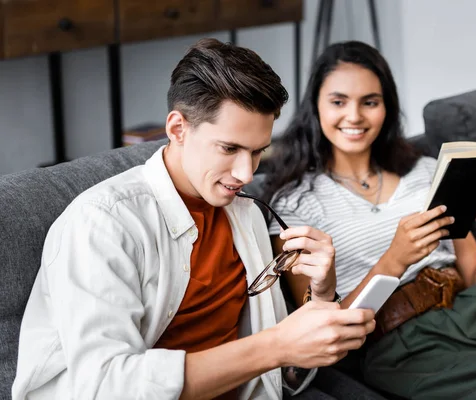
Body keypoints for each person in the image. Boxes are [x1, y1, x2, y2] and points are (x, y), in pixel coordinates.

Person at [12, 38, 377, 400]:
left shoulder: (244, 212)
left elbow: (285, 372)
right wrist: (275, 347)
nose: (246, 173)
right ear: (177, 129)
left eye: (257, 152)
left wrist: (323, 293)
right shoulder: (101, 225)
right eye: (229, 148)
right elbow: (109, 387)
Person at [263, 40, 476, 400]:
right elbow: (321, 332)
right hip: (404, 348)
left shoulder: (428, 172)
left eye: (370, 102)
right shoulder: (294, 203)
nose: (355, 116)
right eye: (338, 101)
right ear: (315, 106)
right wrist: (396, 258)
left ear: (387, 107)